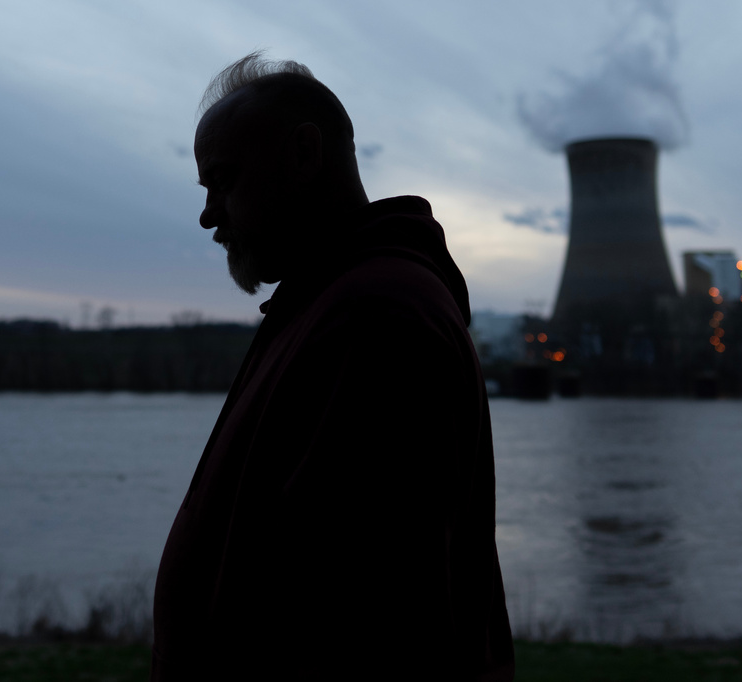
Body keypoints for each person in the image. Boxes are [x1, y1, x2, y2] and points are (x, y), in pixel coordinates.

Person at [152, 52, 514, 681]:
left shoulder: (376, 318)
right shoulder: (326, 304)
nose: (210, 214)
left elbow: (367, 618)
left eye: (224, 180)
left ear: (303, 154)